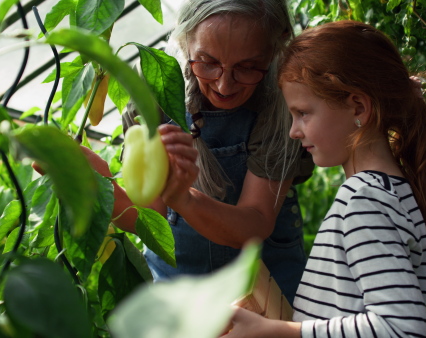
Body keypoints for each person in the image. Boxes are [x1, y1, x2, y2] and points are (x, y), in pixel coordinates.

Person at [223, 20, 426, 337]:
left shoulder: (364, 200)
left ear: (358, 106)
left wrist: (280, 331)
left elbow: (403, 330)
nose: (294, 130)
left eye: (303, 112)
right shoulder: (393, 190)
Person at [82, 0, 315, 304]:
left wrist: (183, 198)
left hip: (264, 287)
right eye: (207, 62)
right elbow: (151, 218)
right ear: (184, 43)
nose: (224, 83)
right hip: (179, 286)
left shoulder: (280, 102)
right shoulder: (155, 92)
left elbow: (254, 223)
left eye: (246, 67)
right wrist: (96, 185)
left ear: (275, 49)